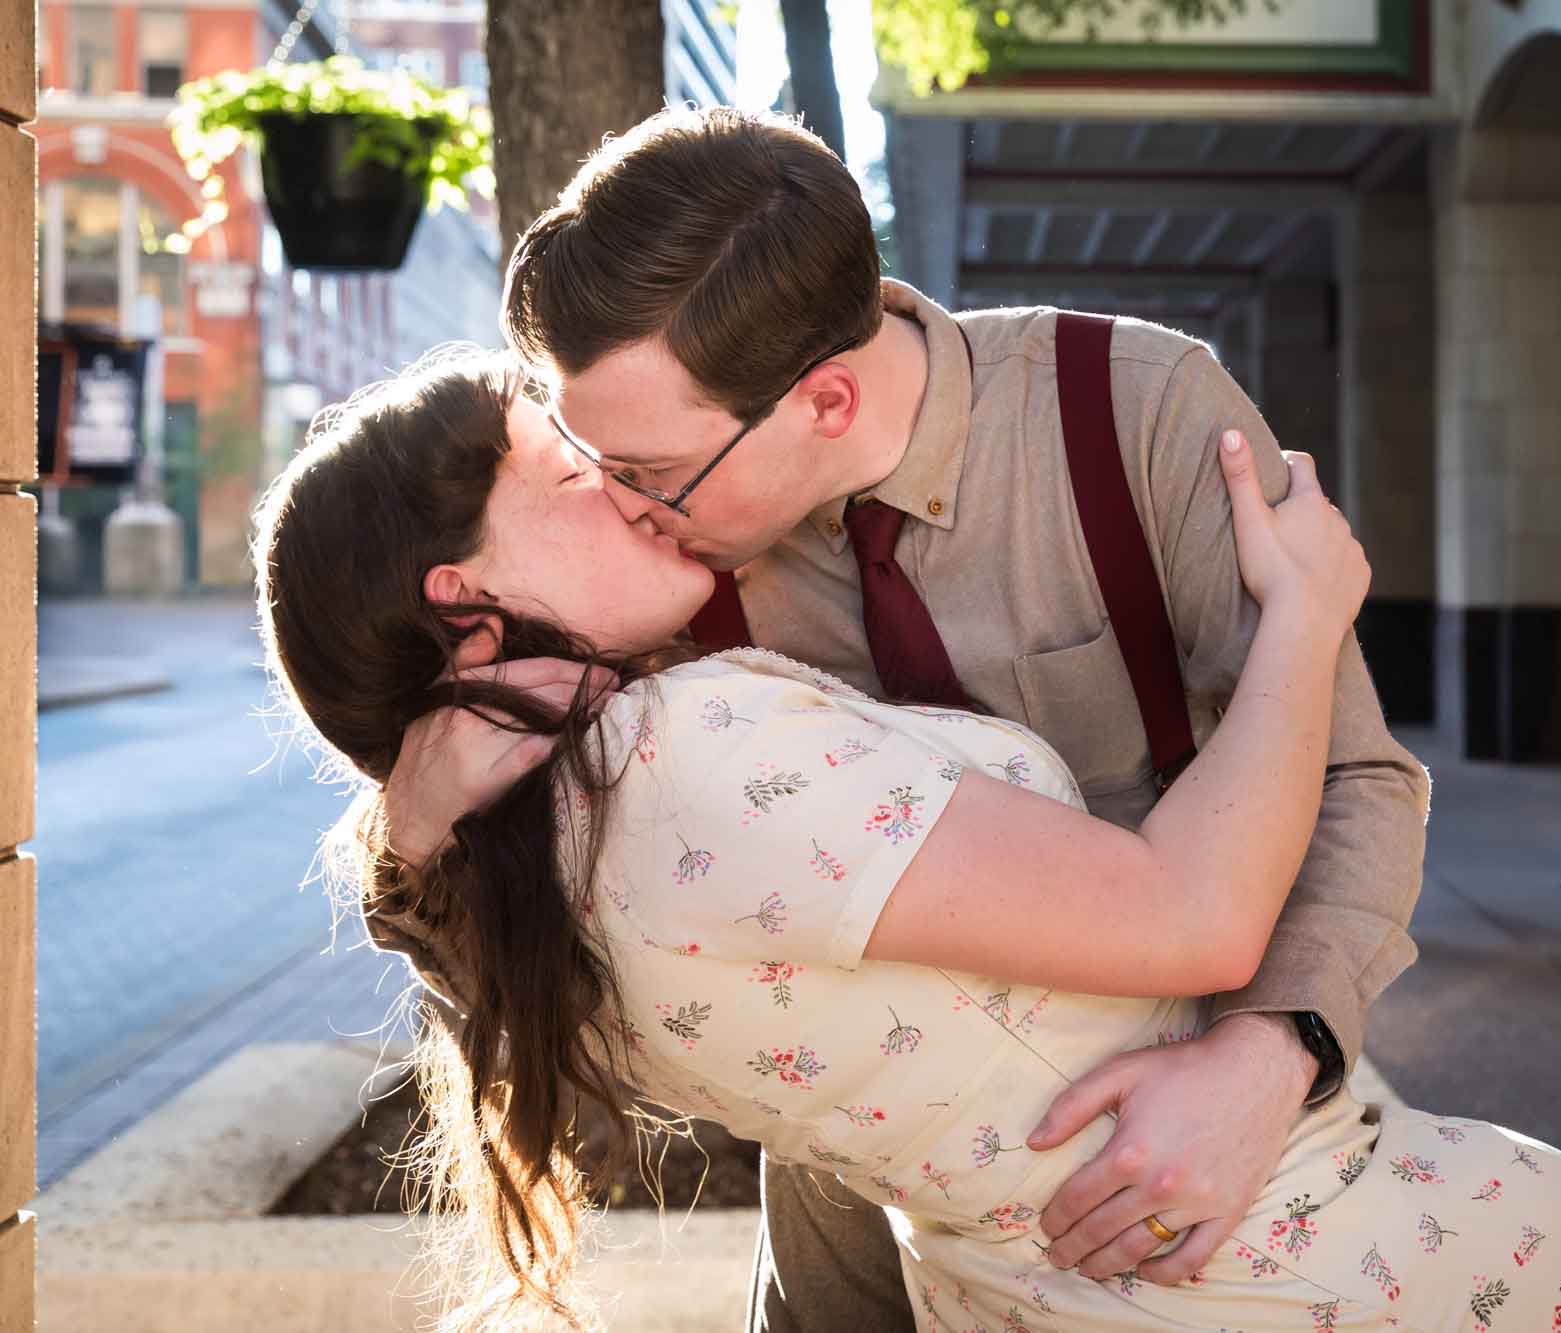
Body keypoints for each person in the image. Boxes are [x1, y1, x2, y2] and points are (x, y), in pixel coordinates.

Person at [253, 348, 1561, 1333]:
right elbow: (1196, 914)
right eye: (569, 476)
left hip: (1011, 1287)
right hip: (1298, 1252)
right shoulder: (682, 747)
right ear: (462, 597)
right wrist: (1310, 612)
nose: (627, 490)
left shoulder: (495, 870)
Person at [369, 105, 1433, 1332]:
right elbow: (529, 892)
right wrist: (414, 831)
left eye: (651, 473)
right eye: (590, 458)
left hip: (1172, 1152)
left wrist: (1266, 1056)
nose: (621, 506)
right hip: (851, 1190)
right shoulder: (665, 561)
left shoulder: (1128, 410)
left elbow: (1356, 772)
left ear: (824, 399)